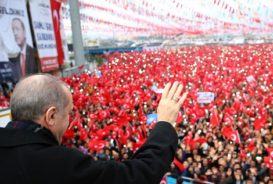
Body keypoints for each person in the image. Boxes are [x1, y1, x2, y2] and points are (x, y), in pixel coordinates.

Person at [0, 74, 187, 184]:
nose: (70, 122)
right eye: (68, 114)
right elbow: (136, 176)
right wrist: (165, 124)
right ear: (50, 116)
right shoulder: (58, 163)